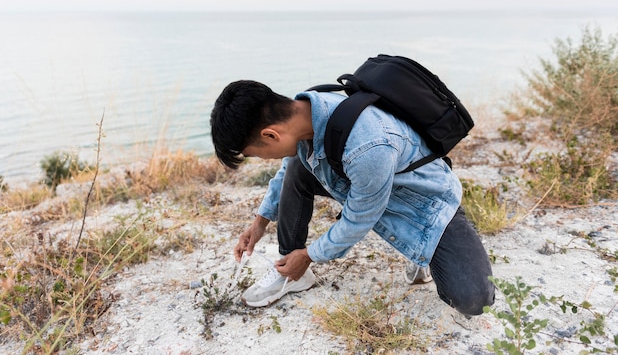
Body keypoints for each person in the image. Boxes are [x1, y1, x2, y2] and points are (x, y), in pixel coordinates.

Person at [210, 79, 495, 315]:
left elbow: (359, 218)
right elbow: (287, 172)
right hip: (368, 182)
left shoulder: (368, 145)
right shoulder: (305, 115)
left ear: (271, 135)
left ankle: (421, 252)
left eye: (254, 154)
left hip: (423, 204)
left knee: (473, 301)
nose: (260, 159)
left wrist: (310, 255)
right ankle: (290, 269)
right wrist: (259, 223)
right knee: (297, 165)